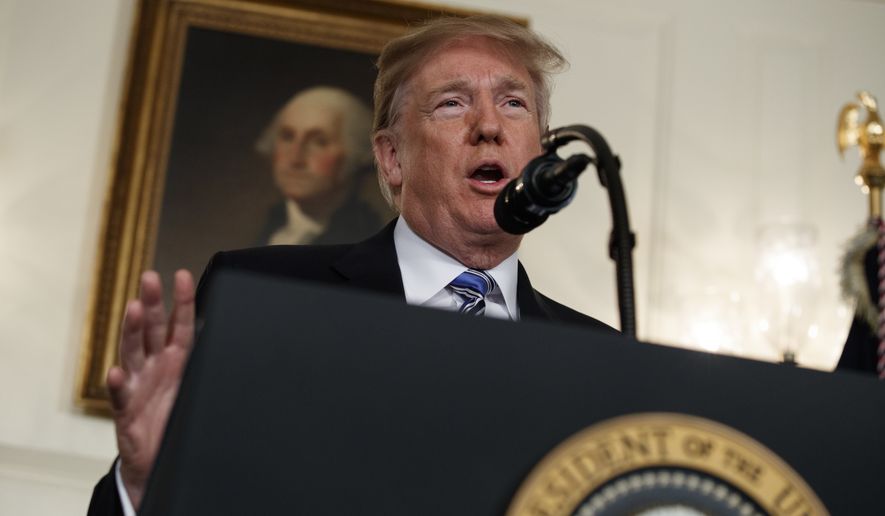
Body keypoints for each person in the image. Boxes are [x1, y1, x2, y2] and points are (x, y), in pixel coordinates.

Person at [86, 15, 615, 516]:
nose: (489, 126)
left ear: (542, 156)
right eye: (453, 103)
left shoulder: (597, 360)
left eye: (514, 103)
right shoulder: (263, 297)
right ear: (391, 158)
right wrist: (143, 484)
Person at [254, 86, 384, 246]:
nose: (295, 159)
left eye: (319, 142)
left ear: (353, 155)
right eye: (287, 137)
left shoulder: (367, 236)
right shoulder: (263, 225)